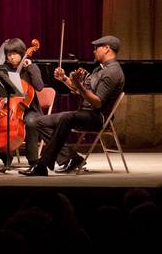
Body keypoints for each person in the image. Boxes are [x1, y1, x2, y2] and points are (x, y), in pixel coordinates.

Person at [20, 35, 124, 176]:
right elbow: (79, 91)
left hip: (97, 117)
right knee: (38, 122)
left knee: (67, 118)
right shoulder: (99, 70)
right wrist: (64, 79)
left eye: (96, 48)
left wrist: (80, 86)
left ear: (106, 49)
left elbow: (98, 102)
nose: (94, 51)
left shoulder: (113, 72)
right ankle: (72, 158)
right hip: (85, 113)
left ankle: (42, 164)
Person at [0, 38, 44, 166]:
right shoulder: (4, 70)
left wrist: (30, 68)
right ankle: (3, 155)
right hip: (7, 110)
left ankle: (33, 161)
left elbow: (39, 87)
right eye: (9, 54)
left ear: (22, 53)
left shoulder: (31, 67)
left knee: (31, 123)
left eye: (14, 54)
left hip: (28, 110)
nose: (11, 57)